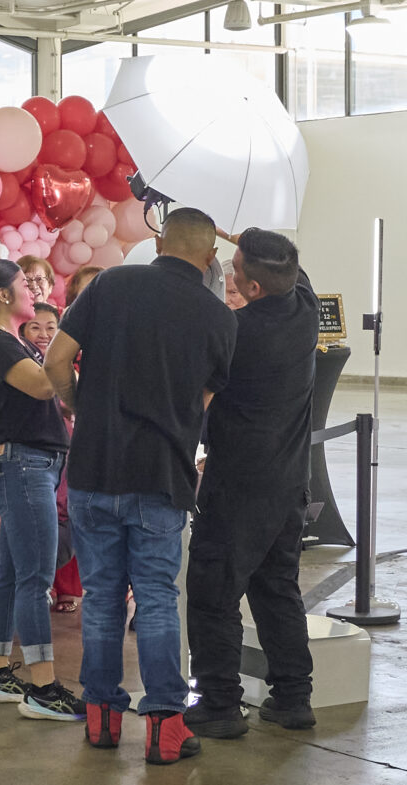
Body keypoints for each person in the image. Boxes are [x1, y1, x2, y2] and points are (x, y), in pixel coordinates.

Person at [44, 207, 237, 764]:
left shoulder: (111, 283)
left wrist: (77, 404)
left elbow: (58, 359)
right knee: (155, 600)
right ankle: (165, 725)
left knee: (101, 597)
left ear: (158, 247)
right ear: (208, 259)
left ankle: (102, 717)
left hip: (93, 469)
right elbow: (199, 407)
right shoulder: (220, 319)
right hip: (161, 475)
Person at [185, 229, 318, 737]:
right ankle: (292, 697)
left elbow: (195, 391)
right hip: (289, 485)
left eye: (236, 267)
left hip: (237, 484)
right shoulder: (304, 311)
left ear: (255, 288)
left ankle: (219, 703)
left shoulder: (234, 331)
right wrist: (257, 242)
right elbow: (294, 270)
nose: (230, 270)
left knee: (214, 592)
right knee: (276, 588)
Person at [0, 259, 83, 721]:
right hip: (24, 466)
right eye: (25, 284)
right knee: (34, 578)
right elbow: (47, 387)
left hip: (28, 465)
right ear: (3, 296)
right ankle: (43, 687)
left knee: (13, 573)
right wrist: (70, 338)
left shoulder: (11, 341)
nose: (33, 290)